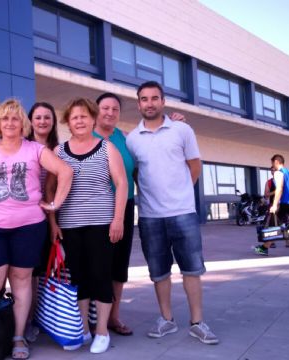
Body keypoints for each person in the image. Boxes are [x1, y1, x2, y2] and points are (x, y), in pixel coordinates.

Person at [0, 99, 73, 360]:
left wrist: (54, 204)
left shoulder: (35, 149)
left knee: (22, 281)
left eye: (15, 118)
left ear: (22, 123)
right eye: (5, 118)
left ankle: (18, 337)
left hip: (28, 227)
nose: (10, 123)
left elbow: (65, 171)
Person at [126, 81, 219, 345]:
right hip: (150, 217)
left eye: (155, 98)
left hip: (182, 213)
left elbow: (194, 166)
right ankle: (166, 320)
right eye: (144, 99)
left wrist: (180, 193)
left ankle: (197, 322)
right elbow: (135, 175)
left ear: (163, 101)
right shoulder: (132, 139)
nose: (150, 103)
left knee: (191, 269)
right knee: (159, 272)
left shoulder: (182, 129)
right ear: (139, 104)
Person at [47, 97, 128, 354]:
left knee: (101, 275)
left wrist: (118, 219)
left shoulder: (107, 148)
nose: (80, 121)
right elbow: (50, 188)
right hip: (70, 225)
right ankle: (82, 329)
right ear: (68, 123)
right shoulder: (59, 151)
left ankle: (101, 331)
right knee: (79, 277)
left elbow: (122, 184)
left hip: (102, 224)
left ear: (93, 119)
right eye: (74, 117)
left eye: (84, 116)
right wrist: (53, 221)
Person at [93, 92, 136, 336]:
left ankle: (114, 317)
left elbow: (136, 171)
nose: (109, 113)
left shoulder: (124, 138)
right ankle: (95, 318)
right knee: (99, 265)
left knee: (119, 264)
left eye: (115, 110)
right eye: (105, 108)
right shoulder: (86, 138)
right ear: (96, 110)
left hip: (126, 206)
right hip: (97, 209)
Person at [24, 102, 60, 342]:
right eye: (38, 117)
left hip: (55, 214)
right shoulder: (22, 146)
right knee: (31, 272)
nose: (43, 121)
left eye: (47, 117)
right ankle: (27, 320)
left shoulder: (60, 149)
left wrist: (53, 218)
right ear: (30, 120)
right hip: (28, 217)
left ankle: (51, 317)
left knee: (53, 269)